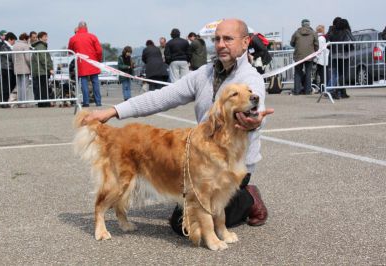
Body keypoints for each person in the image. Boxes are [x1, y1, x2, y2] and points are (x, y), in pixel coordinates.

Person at [82, 19, 274, 234]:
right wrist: (113, 111)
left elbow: (258, 109)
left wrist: (255, 123)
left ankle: (247, 197)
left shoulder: (250, 78)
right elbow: (162, 97)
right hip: (202, 160)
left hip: (235, 166)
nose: (221, 44)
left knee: (201, 218)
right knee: (181, 224)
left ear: (246, 42)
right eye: (217, 39)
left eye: (228, 39)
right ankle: (212, 199)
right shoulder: (204, 74)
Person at [68, 21, 103, 107]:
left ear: (78, 28)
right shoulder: (93, 36)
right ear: (86, 27)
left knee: (84, 83)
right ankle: (98, 102)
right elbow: (99, 50)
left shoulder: (73, 38)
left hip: (81, 64)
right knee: (95, 82)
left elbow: (69, 51)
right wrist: (98, 60)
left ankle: (86, 102)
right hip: (93, 62)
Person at [290, 19, 319, 95]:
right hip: (310, 55)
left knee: (297, 73)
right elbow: (316, 45)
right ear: (309, 24)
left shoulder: (296, 33)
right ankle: (307, 91)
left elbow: (292, 43)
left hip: (298, 55)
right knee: (308, 73)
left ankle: (297, 91)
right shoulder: (313, 33)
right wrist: (314, 51)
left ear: (302, 24)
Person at [328, 18, 354, 99]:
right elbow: (353, 40)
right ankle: (338, 91)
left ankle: (340, 91)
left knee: (337, 74)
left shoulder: (333, 31)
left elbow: (329, 43)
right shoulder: (346, 31)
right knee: (344, 74)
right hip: (344, 55)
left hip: (335, 55)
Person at [31, 31, 54, 107]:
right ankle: (44, 103)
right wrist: (49, 68)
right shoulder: (41, 46)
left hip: (40, 70)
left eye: (46, 36)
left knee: (41, 87)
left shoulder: (39, 46)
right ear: (40, 38)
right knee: (43, 87)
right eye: (45, 37)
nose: (46, 38)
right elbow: (43, 58)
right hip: (41, 71)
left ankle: (42, 102)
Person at [0, 32, 17, 108]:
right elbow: (9, 56)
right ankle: (4, 102)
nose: (14, 43)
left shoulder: (6, 46)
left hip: (8, 68)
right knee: (6, 86)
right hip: (6, 68)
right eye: (13, 41)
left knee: (8, 85)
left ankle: (6, 101)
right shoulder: (4, 46)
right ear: (9, 39)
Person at [13, 33, 31, 107]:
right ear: (25, 39)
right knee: (24, 86)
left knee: (19, 86)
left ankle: (19, 102)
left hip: (17, 68)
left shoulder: (14, 46)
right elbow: (28, 58)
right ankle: (24, 102)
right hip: (25, 68)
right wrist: (31, 66)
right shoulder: (25, 46)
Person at [314, 25, 329, 91]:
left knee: (322, 74)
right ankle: (323, 88)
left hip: (320, 59)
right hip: (324, 58)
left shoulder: (319, 38)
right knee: (323, 74)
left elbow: (318, 49)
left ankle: (322, 88)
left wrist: (316, 58)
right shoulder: (323, 38)